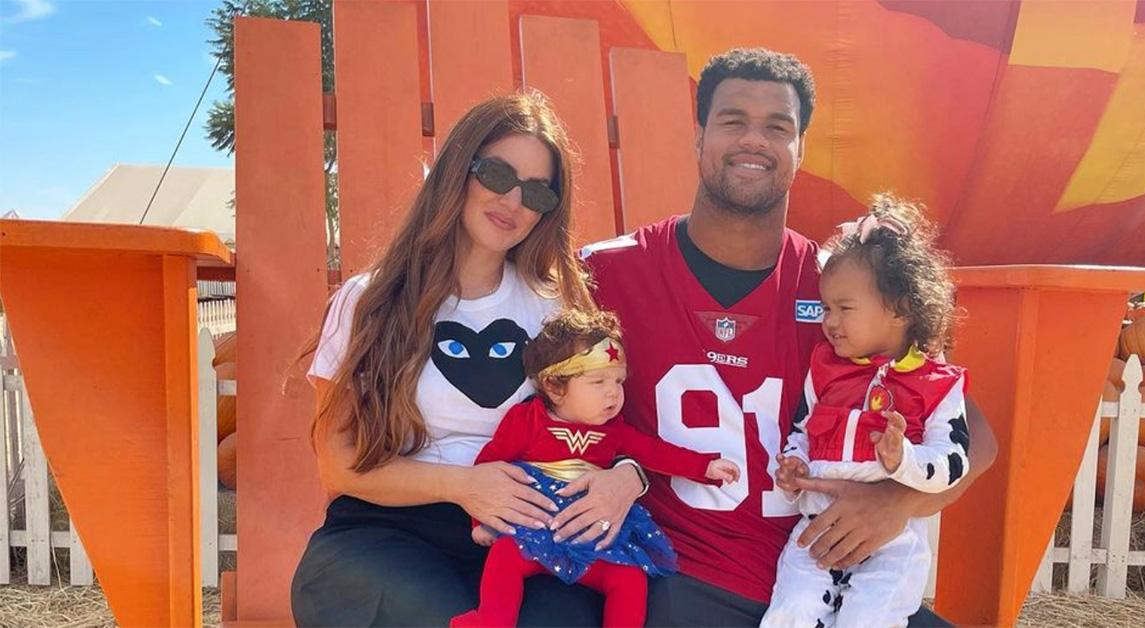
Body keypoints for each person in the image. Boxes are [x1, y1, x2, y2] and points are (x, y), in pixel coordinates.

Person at [581, 48, 998, 626]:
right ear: (698, 134)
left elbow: (973, 430)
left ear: (800, 148)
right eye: (733, 121)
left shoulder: (845, 286)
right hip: (684, 577)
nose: (755, 140)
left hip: (827, 577)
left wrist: (898, 503)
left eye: (778, 127)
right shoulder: (608, 271)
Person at [290, 91, 635, 626]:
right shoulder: (370, 300)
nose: (514, 201)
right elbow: (338, 465)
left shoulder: (558, 308)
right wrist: (465, 486)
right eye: (498, 175)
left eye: (538, 192)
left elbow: (608, 424)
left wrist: (628, 476)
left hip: (529, 534)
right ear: (458, 170)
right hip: (394, 525)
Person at [453, 309, 739, 627]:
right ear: (554, 386)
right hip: (531, 530)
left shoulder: (614, 431)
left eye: (618, 381)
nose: (613, 393)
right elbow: (488, 467)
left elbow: (654, 452)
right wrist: (481, 521)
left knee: (629, 578)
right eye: (598, 381)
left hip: (591, 539)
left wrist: (704, 466)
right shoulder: (527, 421)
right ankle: (492, 621)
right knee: (505, 556)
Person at [761, 195, 970, 627]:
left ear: (900, 310)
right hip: (817, 528)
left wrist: (903, 461)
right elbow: (803, 428)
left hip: (892, 542)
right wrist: (794, 463)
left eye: (845, 308)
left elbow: (953, 461)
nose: (830, 322)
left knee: (867, 618)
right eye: (826, 308)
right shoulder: (823, 371)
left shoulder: (936, 384)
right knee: (792, 612)